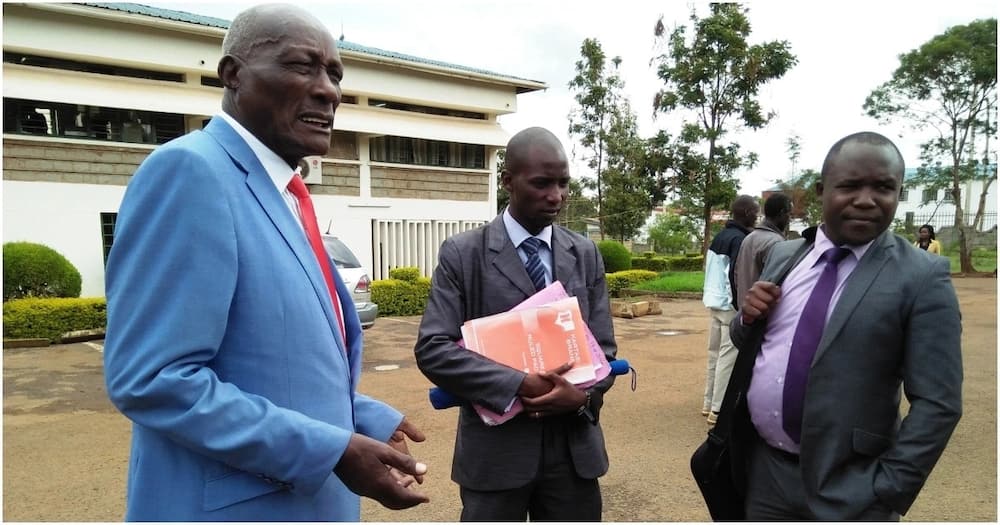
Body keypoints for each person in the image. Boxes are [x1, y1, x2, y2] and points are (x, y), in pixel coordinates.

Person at [103, 4, 429, 521]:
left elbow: (272, 364)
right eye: (302, 67)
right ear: (233, 75)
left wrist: (359, 416)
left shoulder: (284, 195)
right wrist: (330, 450)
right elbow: (156, 379)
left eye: (334, 74)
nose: (328, 90)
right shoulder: (191, 174)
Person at [730, 131, 962, 520]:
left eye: (884, 187)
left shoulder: (922, 276)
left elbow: (939, 402)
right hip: (766, 475)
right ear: (822, 190)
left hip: (851, 489)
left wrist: (887, 488)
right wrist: (747, 317)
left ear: (898, 192)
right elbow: (750, 343)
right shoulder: (786, 256)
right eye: (850, 186)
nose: (867, 199)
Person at [414, 127, 617, 521]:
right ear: (507, 181)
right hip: (496, 456)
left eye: (563, 183)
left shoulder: (585, 253)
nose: (556, 196)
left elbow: (603, 351)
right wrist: (520, 384)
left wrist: (583, 399)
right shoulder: (463, 254)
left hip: (574, 453)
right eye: (542, 183)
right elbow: (433, 349)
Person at [701, 194, 758, 425]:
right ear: (746, 213)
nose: (757, 215)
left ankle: (708, 403)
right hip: (729, 306)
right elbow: (735, 275)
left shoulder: (721, 236)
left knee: (715, 355)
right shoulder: (740, 240)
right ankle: (718, 409)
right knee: (728, 357)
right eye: (755, 211)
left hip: (713, 302)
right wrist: (739, 305)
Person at [734, 192, 792, 308]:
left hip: (745, 311)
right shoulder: (776, 243)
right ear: (782, 213)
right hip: (763, 315)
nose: (789, 219)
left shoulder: (749, 238)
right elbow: (777, 285)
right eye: (789, 214)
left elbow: (736, 276)